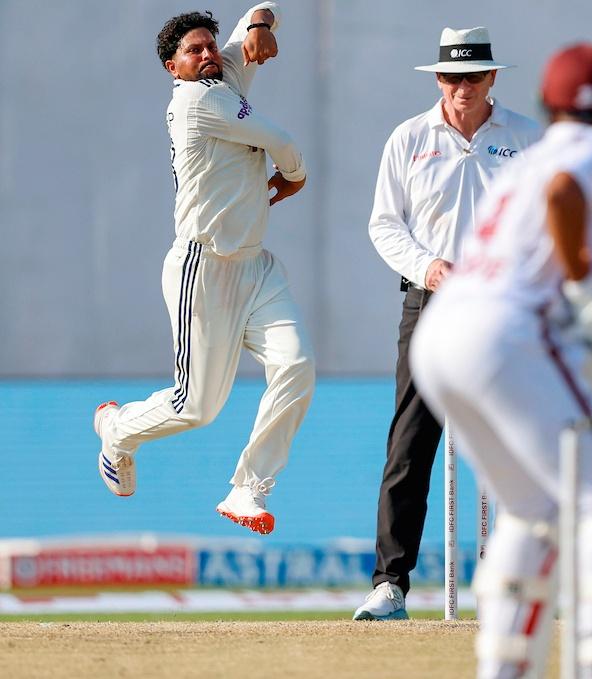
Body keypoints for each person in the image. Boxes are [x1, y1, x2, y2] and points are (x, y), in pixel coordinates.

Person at [409, 44, 592, 679]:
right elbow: (566, 194)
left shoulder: (522, 165)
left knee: (530, 509)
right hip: (501, 336)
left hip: (442, 332)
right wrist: (584, 281)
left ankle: (501, 667)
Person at [92, 3, 314, 535]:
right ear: (173, 67)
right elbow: (280, 142)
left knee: (297, 365)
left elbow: (261, 12)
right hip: (204, 265)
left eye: (211, 46)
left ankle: (248, 489)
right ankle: (117, 430)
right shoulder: (195, 101)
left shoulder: (223, 74)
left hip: (256, 267)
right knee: (197, 407)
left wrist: (261, 22)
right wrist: (295, 176)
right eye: (194, 51)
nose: (209, 55)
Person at [355, 27, 541, 621]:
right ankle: (391, 584)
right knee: (411, 443)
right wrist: (430, 267)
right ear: (437, 79)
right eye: (451, 77)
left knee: (514, 436)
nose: (462, 88)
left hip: (502, 303)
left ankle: (512, 578)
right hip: (429, 300)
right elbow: (385, 225)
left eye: (474, 77)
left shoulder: (525, 136)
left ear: (493, 78)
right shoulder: (410, 138)